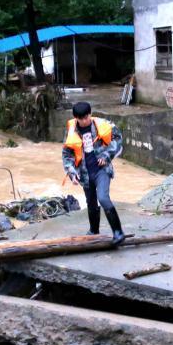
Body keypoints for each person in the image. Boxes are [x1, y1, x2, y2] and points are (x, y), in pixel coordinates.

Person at [62, 101, 125, 245]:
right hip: (84, 173)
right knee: (91, 202)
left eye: (86, 117)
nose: (84, 121)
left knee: (103, 198)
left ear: (90, 114)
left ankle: (118, 232)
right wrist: (72, 173)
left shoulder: (103, 124)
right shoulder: (71, 131)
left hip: (101, 170)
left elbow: (118, 139)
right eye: (81, 118)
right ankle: (94, 232)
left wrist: (107, 155)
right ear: (75, 118)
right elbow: (67, 154)